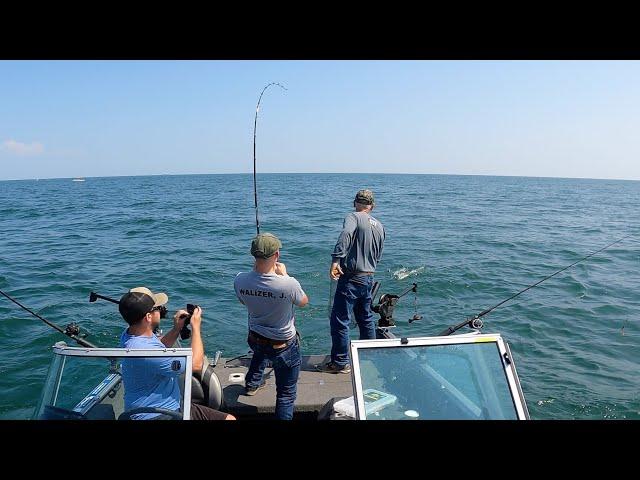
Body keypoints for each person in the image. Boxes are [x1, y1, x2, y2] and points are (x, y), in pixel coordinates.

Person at [118, 286, 235, 420]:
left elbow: (158, 347)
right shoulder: (148, 353)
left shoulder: (130, 335)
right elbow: (196, 364)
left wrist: (176, 329)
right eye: (158, 308)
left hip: (144, 409)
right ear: (148, 317)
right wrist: (196, 327)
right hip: (160, 414)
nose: (161, 310)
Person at [234, 233, 309, 420]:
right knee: (286, 393)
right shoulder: (288, 283)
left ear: (253, 255)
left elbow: (244, 302)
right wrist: (285, 275)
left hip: (255, 337)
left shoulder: (240, 280)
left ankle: (252, 384)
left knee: (260, 352)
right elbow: (303, 302)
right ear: (276, 255)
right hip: (283, 345)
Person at [317, 189, 385, 374]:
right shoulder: (379, 225)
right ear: (372, 205)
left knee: (340, 320)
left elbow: (346, 233)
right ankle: (369, 357)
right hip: (368, 277)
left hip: (352, 278)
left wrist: (336, 259)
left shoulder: (353, 217)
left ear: (355, 202)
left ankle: (340, 362)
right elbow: (378, 255)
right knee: (366, 318)